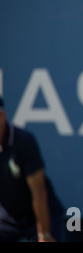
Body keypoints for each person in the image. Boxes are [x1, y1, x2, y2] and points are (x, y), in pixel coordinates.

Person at [0, 96, 64, 242]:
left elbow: (39, 193)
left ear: (2, 116)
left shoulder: (24, 141)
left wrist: (44, 234)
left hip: (41, 216)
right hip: (8, 217)